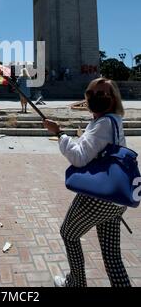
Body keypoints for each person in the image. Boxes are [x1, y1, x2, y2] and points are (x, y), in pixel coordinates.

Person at [43, 77, 131, 287]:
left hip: (97, 198)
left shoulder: (102, 124)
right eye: (91, 93)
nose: (95, 97)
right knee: (112, 256)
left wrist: (59, 133)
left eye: (102, 94)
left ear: (113, 98)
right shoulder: (114, 121)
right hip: (116, 199)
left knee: (68, 234)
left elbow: (79, 158)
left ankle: (76, 283)